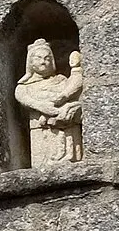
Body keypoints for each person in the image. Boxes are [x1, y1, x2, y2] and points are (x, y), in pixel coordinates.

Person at [14, 34, 84, 164]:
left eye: (47, 58)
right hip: (40, 131)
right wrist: (41, 106)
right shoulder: (25, 87)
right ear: (30, 62)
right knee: (43, 162)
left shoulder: (61, 80)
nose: (43, 62)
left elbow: (74, 90)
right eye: (38, 58)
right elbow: (22, 97)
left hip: (67, 128)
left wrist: (76, 70)